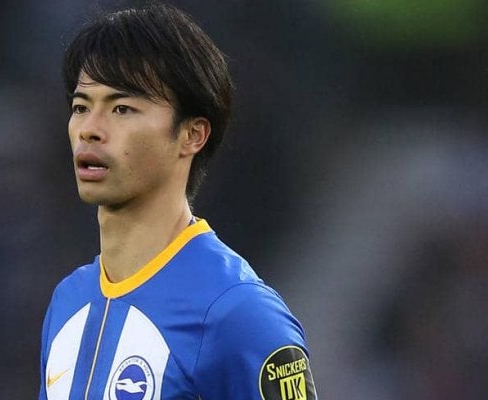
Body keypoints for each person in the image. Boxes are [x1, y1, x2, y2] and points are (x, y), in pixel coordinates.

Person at [39, 3, 317, 399]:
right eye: (81, 107)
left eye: (122, 108)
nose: (90, 130)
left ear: (192, 135)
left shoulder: (238, 312)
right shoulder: (68, 300)